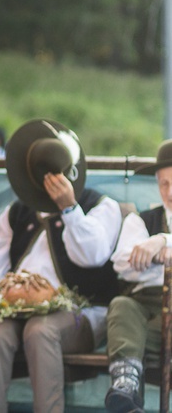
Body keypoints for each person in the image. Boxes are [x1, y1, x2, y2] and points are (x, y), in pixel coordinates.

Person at [0, 119, 122, 413]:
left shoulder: (101, 206)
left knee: (40, 330)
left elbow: (93, 255)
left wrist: (69, 209)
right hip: (18, 308)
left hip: (82, 313)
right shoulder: (16, 213)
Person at [104, 139, 172, 411]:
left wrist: (161, 242)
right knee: (122, 305)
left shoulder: (153, 231)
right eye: (164, 183)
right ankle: (126, 385)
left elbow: (142, 258)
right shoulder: (140, 220)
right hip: (146, 311)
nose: (170, 191)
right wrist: (157, 252)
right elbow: (122, 261)